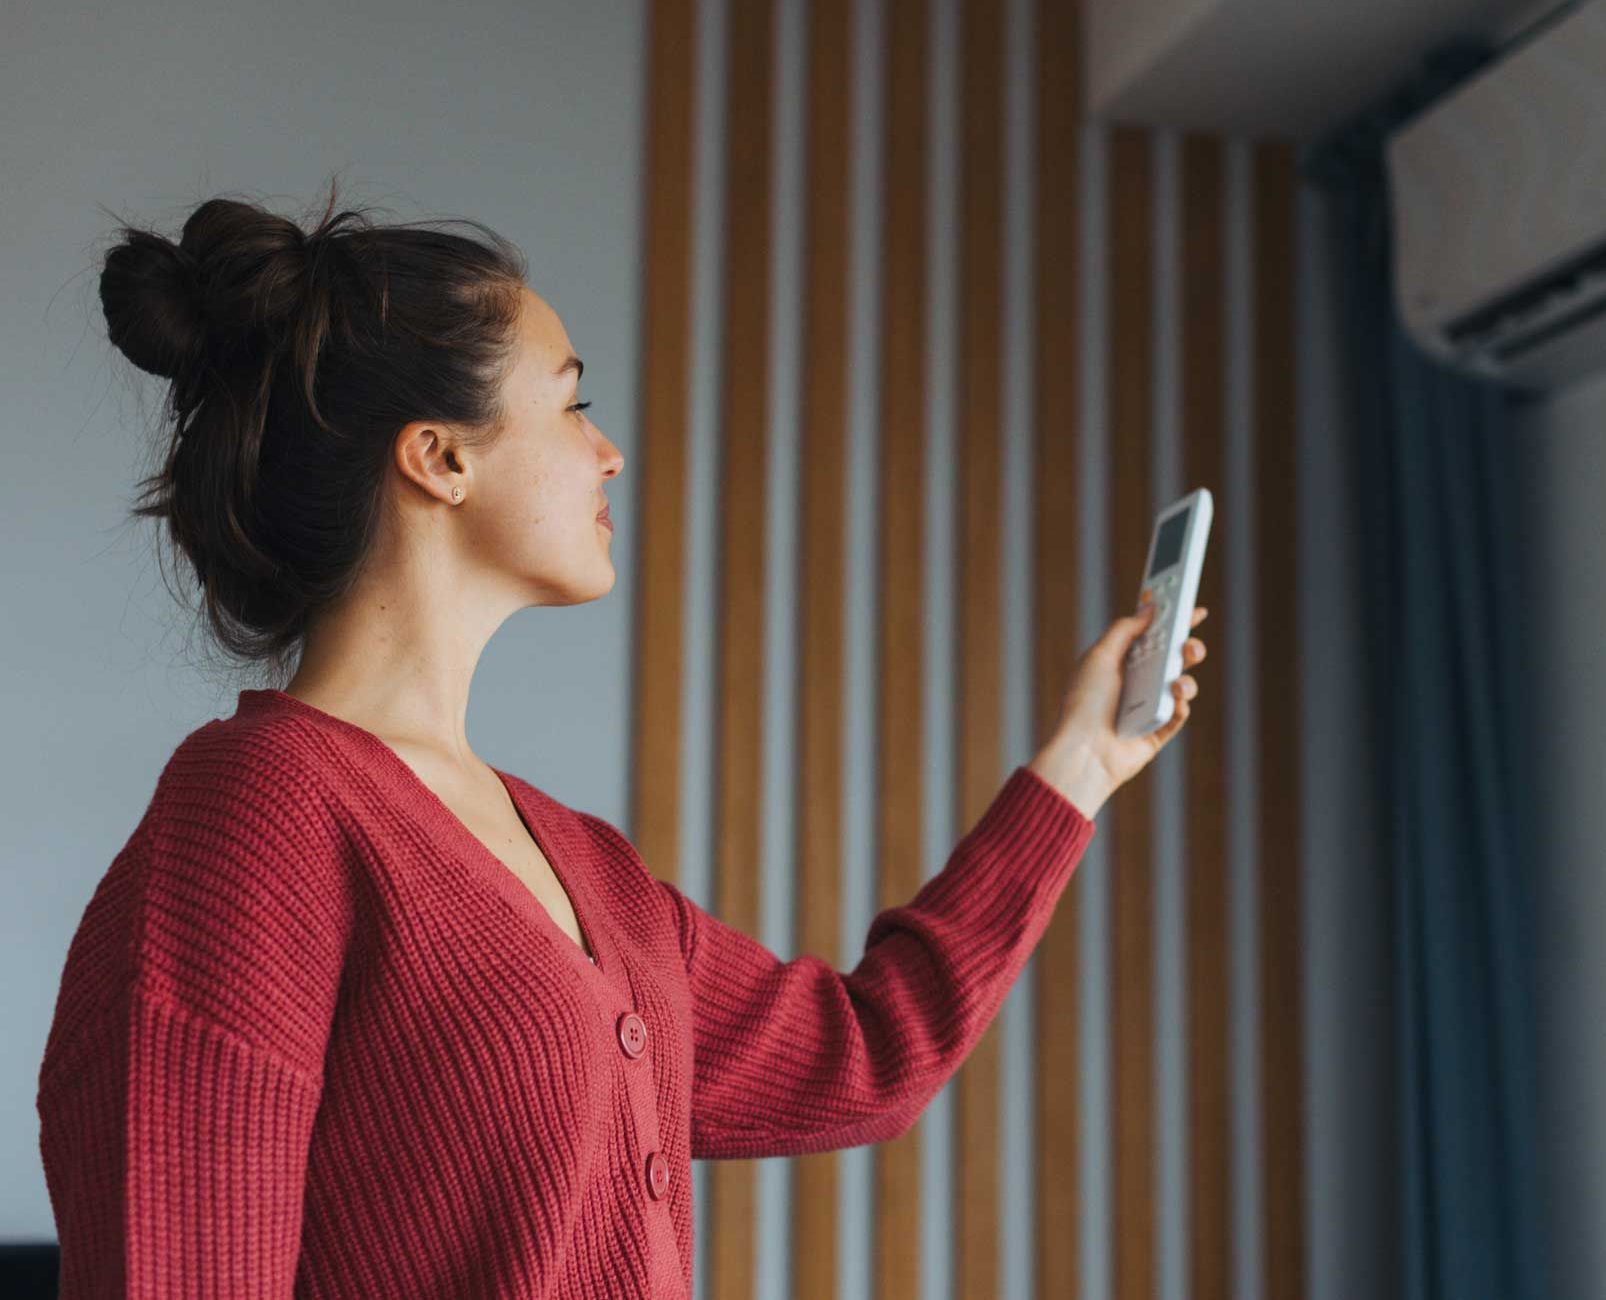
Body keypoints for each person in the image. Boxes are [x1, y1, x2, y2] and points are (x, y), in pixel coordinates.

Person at [38, 181, 1210, 1299]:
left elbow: (866, 1055)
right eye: (571, 400)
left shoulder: (589, 866)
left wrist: (1083, 762)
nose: (606, 451)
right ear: (439, 455)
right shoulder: (257, 811)